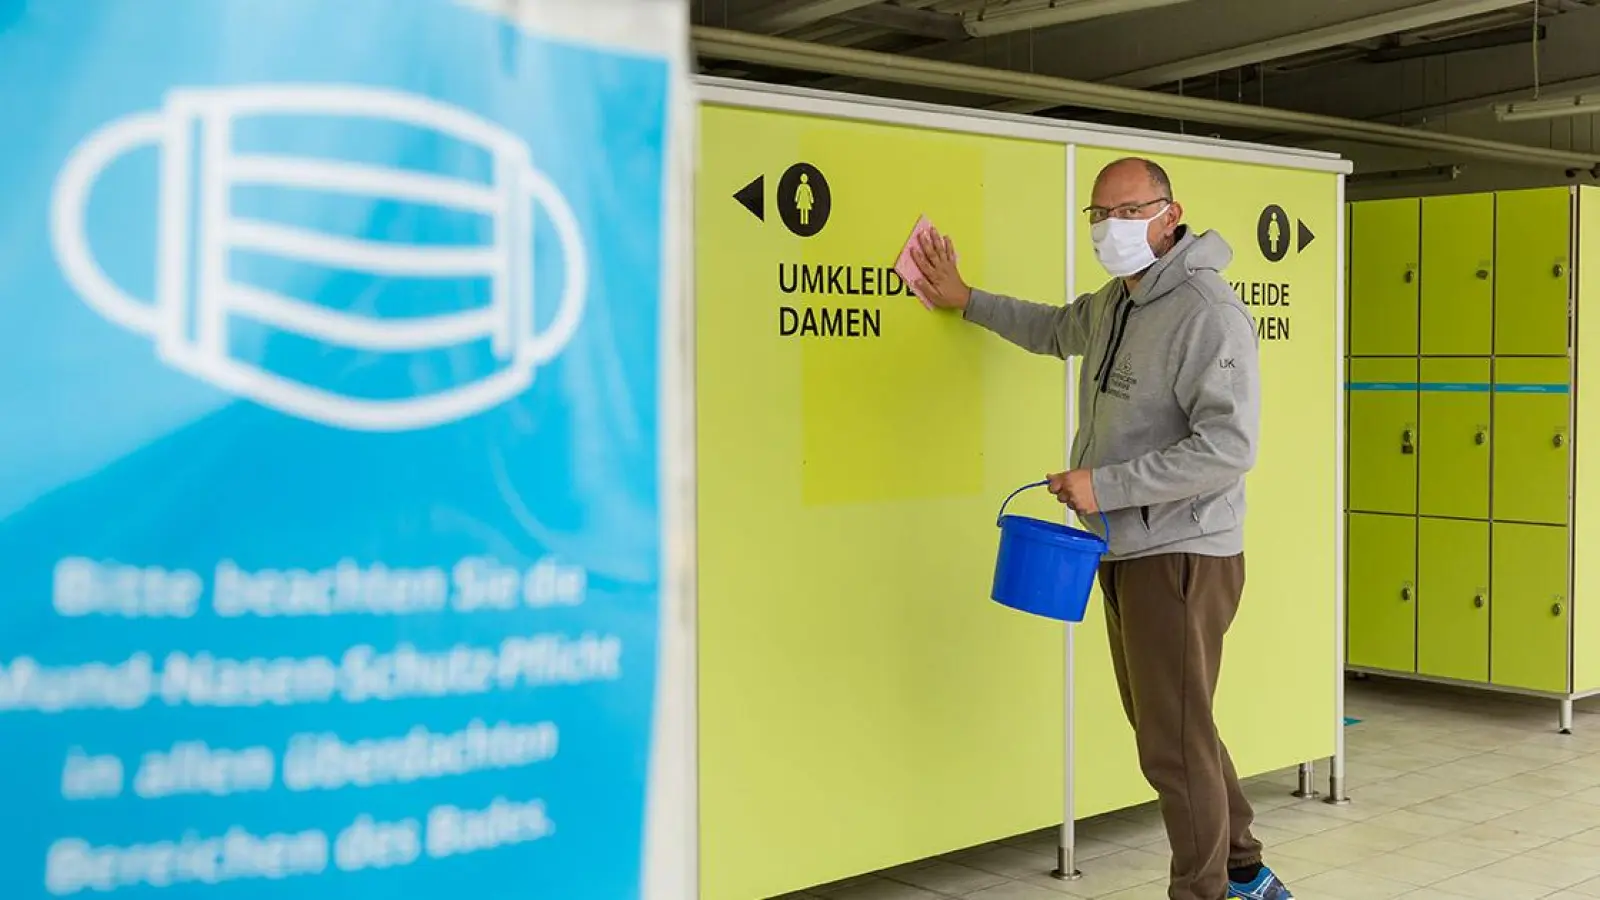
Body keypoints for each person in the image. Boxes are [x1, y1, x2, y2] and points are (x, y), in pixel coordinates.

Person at [909, 157, 1287, 900]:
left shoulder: (1207, 312)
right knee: (1177, 727)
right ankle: (1245, 869)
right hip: (1125, 548)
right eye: (1099, 215)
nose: (1111, 229)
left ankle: (1205, 890)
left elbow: (1230, 448)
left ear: (1171, 214)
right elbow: (1054, 328)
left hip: (1182, 557)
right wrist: (966, 298)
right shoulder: (1120, 302)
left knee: (1171, 745)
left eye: (1127, 212)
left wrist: (1102, 484)